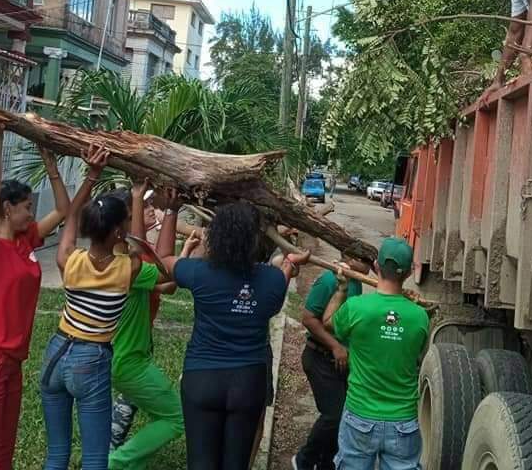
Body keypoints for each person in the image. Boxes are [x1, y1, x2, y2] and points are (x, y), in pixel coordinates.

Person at [135, 200, 310, 470]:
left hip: (202, 378)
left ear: (216, 236)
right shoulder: (272, 279)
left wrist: (170, 210)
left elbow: (162, 260)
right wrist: (289, 265)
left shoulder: (199, 273)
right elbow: (274, 300)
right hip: (248, 382)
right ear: (254, 240)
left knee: (201, 463)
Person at [0, 120, 85, 470]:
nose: (32, 213)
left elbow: (63, 210)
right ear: (6, 209)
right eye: (26, 207)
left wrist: (51, 166)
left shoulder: (25, 241)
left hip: (12, 363)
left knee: (3, 453)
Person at [40, 146, 151, 470]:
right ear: (118, 231)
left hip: (56, 353)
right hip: (92, 358)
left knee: (56, 453)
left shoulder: (67, 261)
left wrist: (91, 175)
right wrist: (137, 193)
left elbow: (71, 216)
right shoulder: (124, 270)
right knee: (94, 458)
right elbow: (142, 248)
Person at [106, 182, 193, 470]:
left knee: (133, 410)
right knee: (176, 417)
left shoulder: (112, 261)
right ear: (123, 225)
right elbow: (163, 268)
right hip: (129, 361)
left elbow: (168, 284)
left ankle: (122, 458)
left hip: (124, 356)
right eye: (140, 209)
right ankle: (118, 462)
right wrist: (171, 211)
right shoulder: (128, 267)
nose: (148, 211)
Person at [324, 237, 429, 470]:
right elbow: (418, 353)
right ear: (410, 273)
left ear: (377, 267)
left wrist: (342, 289)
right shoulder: (420, 317)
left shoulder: (357, 307)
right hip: (403, 422)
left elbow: (328, 321)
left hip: (360, 415)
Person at [293, 254, 372, 470]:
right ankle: (304, 460)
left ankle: (326, 463)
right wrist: (335, 346)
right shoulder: (329, 280)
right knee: (334, 415)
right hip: (319, 357)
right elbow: (309, 318)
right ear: (347, 257)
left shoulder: (356, 282)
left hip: (341, 362)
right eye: (363, 260)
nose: (367, 266)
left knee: (343, 418)